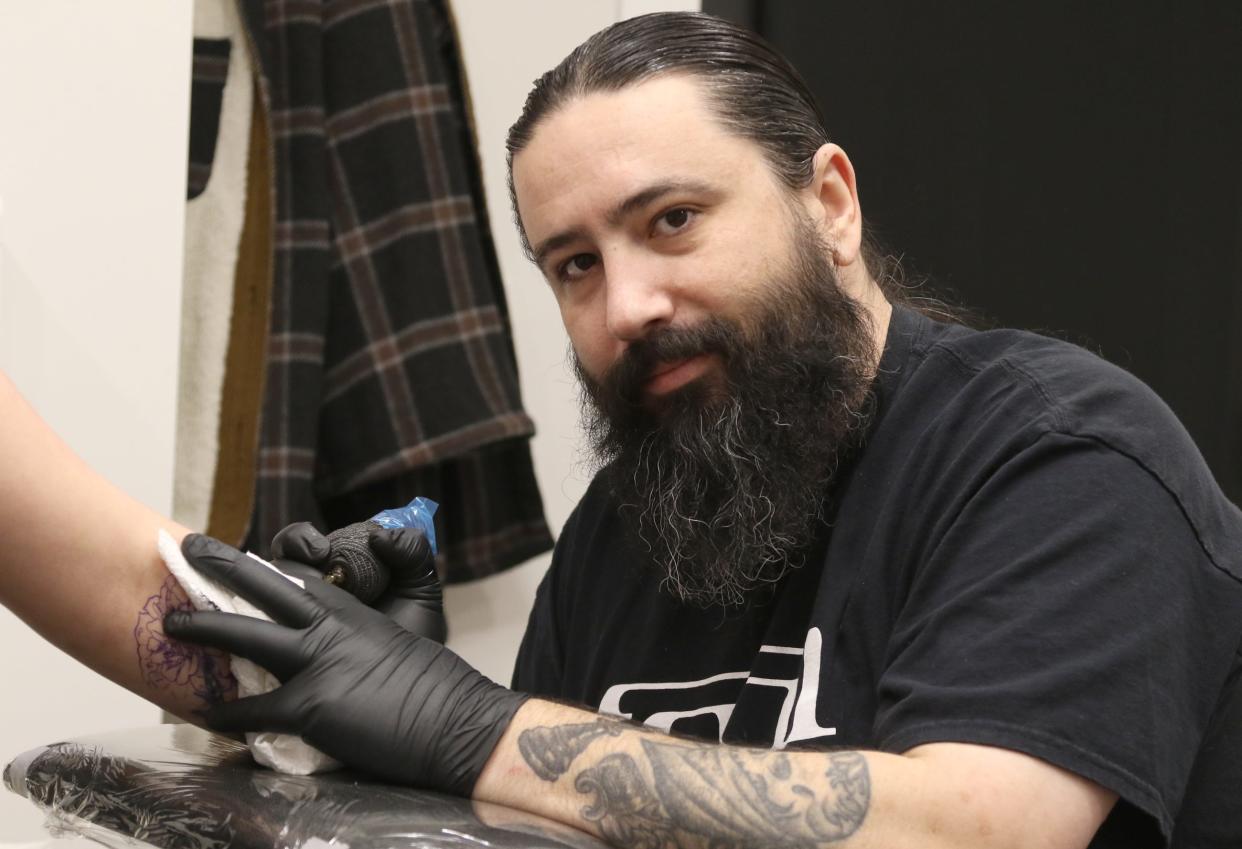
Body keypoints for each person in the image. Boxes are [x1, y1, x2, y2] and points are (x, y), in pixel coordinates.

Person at [4, 11, 1239, 849]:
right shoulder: (645, 516)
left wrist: (468, 727)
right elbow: (577, 809)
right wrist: (376, 733)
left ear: (831, 204)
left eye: (675, 221)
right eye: (574, 264)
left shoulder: (1060, 456)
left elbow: (977, 828)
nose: (628, 306)